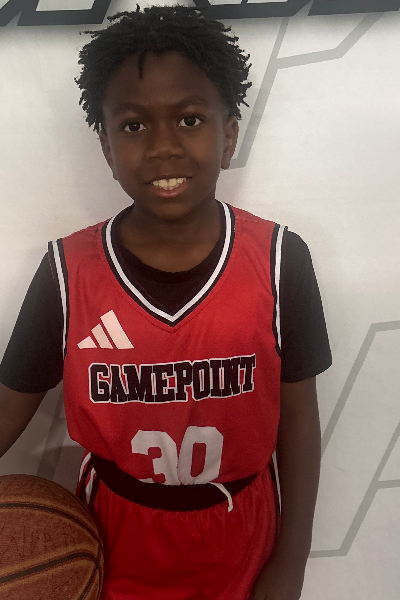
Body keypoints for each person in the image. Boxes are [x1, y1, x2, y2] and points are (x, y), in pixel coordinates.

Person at [0, 5, 331, 600]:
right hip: (110, 534)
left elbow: (299, 418)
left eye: (189, 119)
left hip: (242, 529)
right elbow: (7, 409)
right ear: (106, 148)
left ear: (228, 135)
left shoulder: (282, 260)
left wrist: (292, 560)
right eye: (133, 126)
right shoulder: (66, 274)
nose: (163, 147)